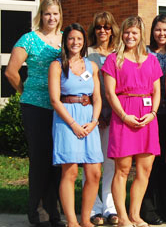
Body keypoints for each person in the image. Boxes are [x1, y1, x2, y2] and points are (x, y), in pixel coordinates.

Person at [5, 0, 65, 227]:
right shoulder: (29, 39)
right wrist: (24, 91)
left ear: (60, 16)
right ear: (41, 14)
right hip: (35, 106)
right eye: (48, 13)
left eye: (56, 13)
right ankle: (37, 212)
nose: (52, 18)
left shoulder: (63, 39)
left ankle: (55, 212)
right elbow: (11, 71)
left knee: (57, 159)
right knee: (40, 159)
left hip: (60, 107)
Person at [102, 16, 162, 227]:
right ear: (122, 34)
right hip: (123, 116)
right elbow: (110, 94)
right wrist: (124, 116)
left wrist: (153, 113)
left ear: (141, 35)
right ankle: (123, 218)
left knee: (144, 170)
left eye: (134, 32)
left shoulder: (152, 60)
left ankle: (135, 214)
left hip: (147, 118)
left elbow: (157, 92)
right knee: (123, 170)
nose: (130, 36)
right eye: (127, 32)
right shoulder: (113, 59)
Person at [48, 23, 103, 227]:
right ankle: (72, 221)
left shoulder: (92, 66)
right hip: (66, 119)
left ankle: (86, 218)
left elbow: (97, 98)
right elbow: (55, 100)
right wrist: (73, 124)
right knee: (70, 172)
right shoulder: (56, 66)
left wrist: (93, 121)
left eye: (79, 39)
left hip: (89, 120)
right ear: (65, 41)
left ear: (84, 41)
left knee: (94, 172)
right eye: (71, 38)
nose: (75, 42)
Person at [140, 14, 166, 225]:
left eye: (165, 30)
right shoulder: (144, 53)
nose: (161, 34)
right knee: (148, 164)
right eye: (158, 29)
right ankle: (147, 208)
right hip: (148, 115)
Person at [83, 11, 120, 226]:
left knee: (111, 163)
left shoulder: (119, 53)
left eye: (106, 27)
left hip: (115, 116)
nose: (103, 31)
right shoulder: (87, 53)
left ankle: (109, 207)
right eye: (98, 27)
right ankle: (93, 208)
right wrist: (96, 116)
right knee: (92, 163)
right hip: (92, 116)